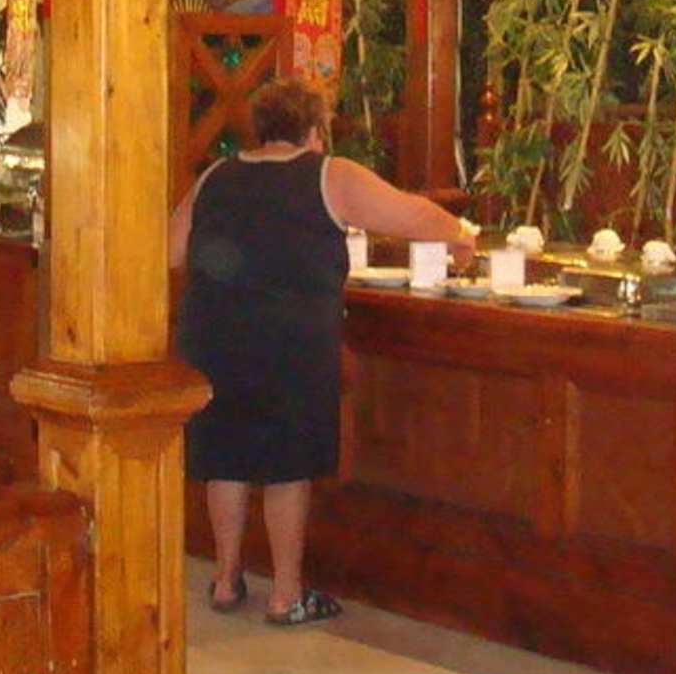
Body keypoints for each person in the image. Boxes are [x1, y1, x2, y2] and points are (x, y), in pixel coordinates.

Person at [170, 76, 473, 626]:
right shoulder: (330, 175)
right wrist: (459, 233)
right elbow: (411, 215)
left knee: (225, 458)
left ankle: (225, 579)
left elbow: (171, 250)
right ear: (315, 130)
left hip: (212, 335)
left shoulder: (215, 175)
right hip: (289, 340)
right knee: (287, 466)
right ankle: (286, 595)